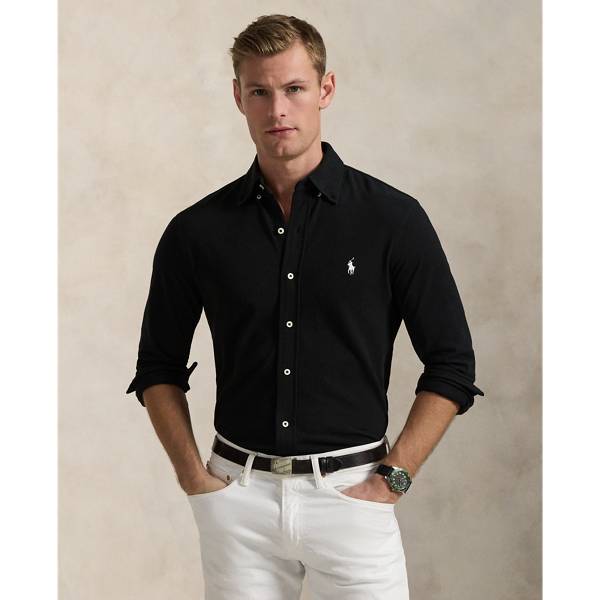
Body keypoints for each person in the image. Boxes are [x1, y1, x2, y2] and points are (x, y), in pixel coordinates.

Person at [127, 14, 483, 600]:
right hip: (236, 501)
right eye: (259, 92)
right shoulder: (196, 232)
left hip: (353, 498)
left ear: (326, 89)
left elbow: (452, 365)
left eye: (294, 88)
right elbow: (156, 366)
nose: (277, 110)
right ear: (237, 97)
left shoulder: (393, 219)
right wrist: (194, 478)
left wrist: (391, 481)